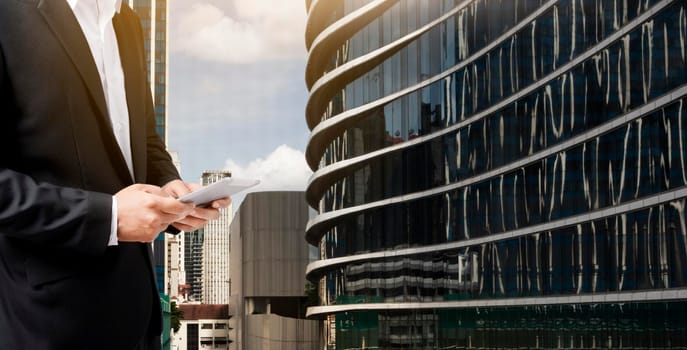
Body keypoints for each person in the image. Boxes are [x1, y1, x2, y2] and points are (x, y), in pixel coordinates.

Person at [0, 0, 230, 348]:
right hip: (50, 321)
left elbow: (144, 141)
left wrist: (174, 191)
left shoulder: (127, 24)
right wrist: (108, 217)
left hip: (139, 316)